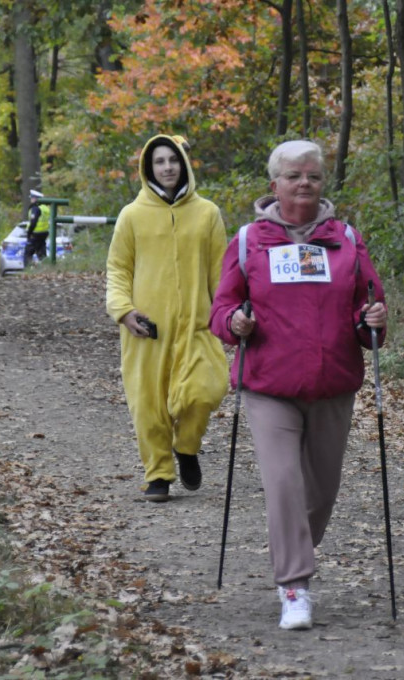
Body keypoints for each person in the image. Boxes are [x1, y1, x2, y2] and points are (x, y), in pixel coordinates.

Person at [209, 140, 388, 631]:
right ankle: (295, 586)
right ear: (275, 185)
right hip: (270, 385)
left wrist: (371, 318)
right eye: (293, 176)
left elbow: (368, 307)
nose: (304, 183)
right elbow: (221, 311)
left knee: (321, 492)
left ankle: (293, 547)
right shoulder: (249, 241)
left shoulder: (347, 239)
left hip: (333, 383)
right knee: (283, 484)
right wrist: (236, 323)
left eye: (312, 175)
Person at [106, 134, 228, 503]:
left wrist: (227, 312)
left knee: (207, 390)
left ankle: (186, 446)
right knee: (149, 404)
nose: (167, 167)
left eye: (172, 160)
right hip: (145, 328)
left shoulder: (207, 213)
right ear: (148, 169)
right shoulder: (131, 215)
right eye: (159, 162)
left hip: (197, 324)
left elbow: (221, 273)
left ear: (184, 164)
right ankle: (158, 473)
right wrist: (123, 312)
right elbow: (117, 269)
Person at [24, 189, 50, 267]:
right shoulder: (45, 208)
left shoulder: (35, 208)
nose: (31, 200)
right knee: (42, 254)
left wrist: (29, 233)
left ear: (36, 199)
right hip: (44, 233)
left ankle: (28, 271)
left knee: (28, 253)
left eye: (32, 198)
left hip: (35, 234)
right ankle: (45, 270)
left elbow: (33, 222)